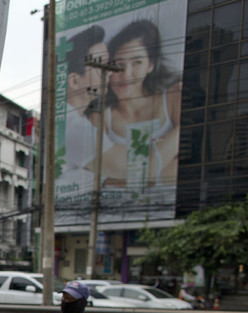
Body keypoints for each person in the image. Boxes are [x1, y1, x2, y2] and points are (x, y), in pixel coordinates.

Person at [99, 20, 181, 188]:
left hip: (174, 207)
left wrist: (118, 178)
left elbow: (176, 169)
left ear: (150, 65)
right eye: (118, 65)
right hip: (115, 210)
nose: (126, 74)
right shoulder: (102, 116)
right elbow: (98, 180)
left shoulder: (173, 96)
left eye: (137, 62)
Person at [62, 25, 111, 173]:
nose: (109, 73)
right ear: (74, 81)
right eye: (100, 65)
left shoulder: (72, 119)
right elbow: (129, 167)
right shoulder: (74, 127)